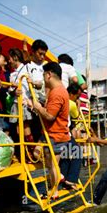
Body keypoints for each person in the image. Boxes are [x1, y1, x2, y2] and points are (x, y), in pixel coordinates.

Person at [30, 62, 70, 199]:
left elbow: (50, 116)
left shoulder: (58, 93)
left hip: (55, 135)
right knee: (37, 154)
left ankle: (55, 191)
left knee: (52, 165)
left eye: (43, 75)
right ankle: (59, 176)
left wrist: (37, 107)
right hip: (50, 134)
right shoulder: (58, 90)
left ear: (49, 75)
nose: (43, 78)